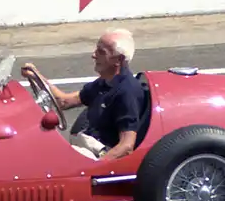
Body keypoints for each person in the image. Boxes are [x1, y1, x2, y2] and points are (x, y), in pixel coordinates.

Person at [21, 28, 144, 161]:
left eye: (101, 52)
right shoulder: (104, 82)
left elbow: (126, 146)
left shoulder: (127, 92)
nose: (93, 55)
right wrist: (36, 76)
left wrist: (95, 168)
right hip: (87, 142)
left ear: (118, 60)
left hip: (101, 154)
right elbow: (63, 101)